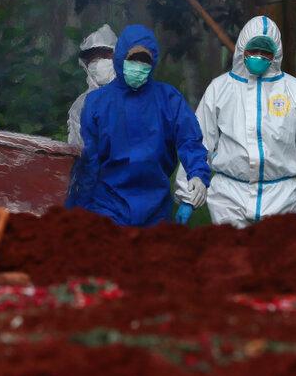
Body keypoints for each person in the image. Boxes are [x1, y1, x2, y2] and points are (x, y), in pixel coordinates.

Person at [174, 15, 296, 227]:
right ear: (242, 49)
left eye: (265, 52)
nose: (258, 56)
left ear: (275, 54)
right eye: (253, 50)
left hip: (282, 198)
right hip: (228, 198)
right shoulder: (220, 89)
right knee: (233, 257)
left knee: (278, 259)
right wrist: (188, 195)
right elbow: (200, 140)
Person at [68, 24, 211, 227]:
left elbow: (190, 140)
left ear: (154, 61)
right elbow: (89, 161)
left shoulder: (168, 99)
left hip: (155, 207)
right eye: (132, 58)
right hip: (107, 206)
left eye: (144, 60)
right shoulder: (97, 103)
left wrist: (198, 175)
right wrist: (78, 206)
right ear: (120, 57)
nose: (138, 65)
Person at [67, 24, 117, 148]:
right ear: (86, 64)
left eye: (105, 56)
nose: (99, 62)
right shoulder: (80, 105)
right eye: (93, 58)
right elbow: (75, 148)